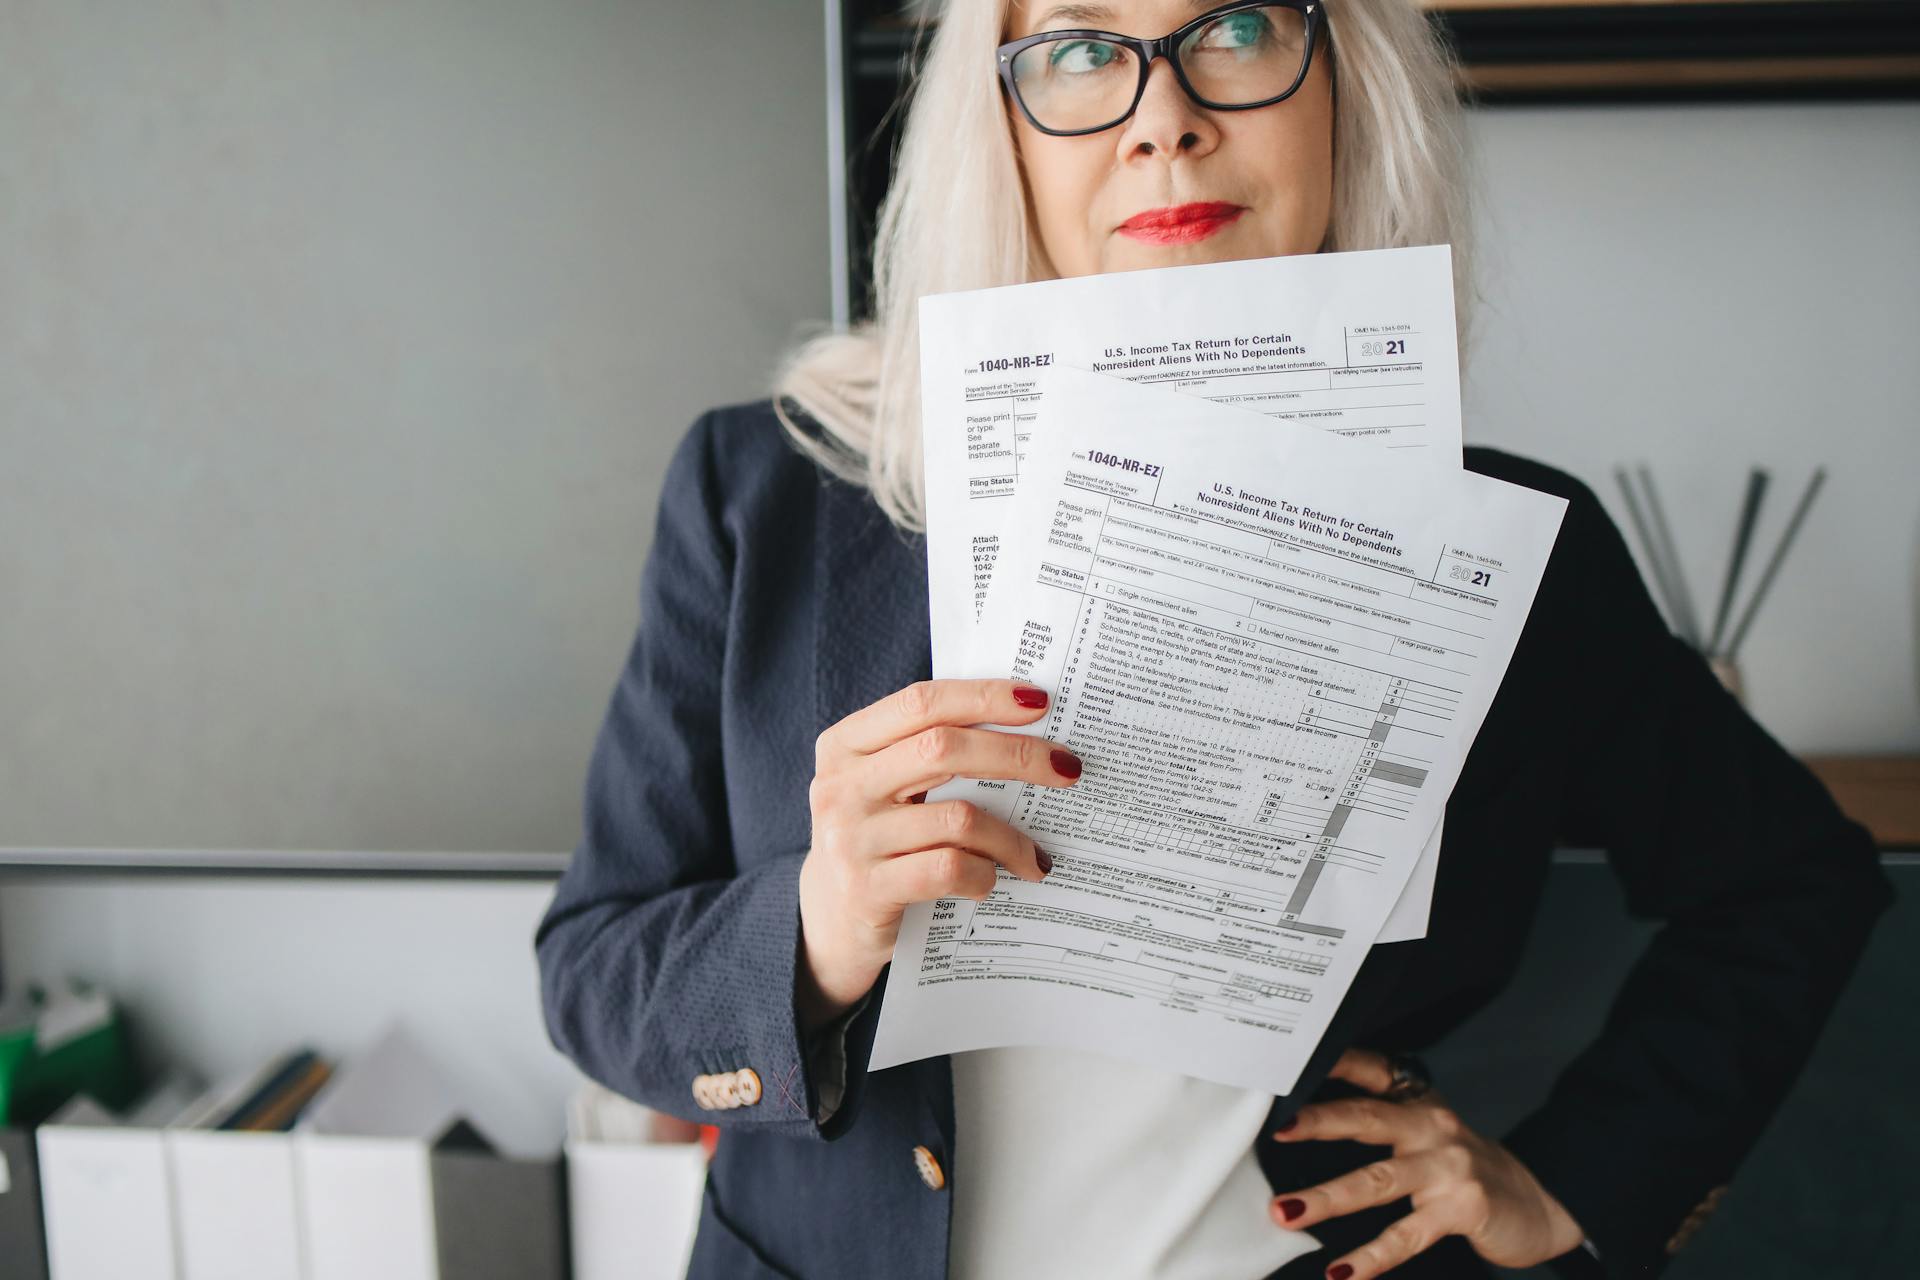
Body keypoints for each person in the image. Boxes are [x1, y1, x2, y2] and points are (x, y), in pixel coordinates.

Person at [533, 2, 1896, 1277]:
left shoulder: (1512, 546)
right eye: (1078, 50)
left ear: (1346, 84)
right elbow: (594, 972)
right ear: (992, 128)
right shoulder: (764, 493)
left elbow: (1792, 883)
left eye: (1236, 28)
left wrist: (1573, 1183)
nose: (1162, 117)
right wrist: (819, 930)